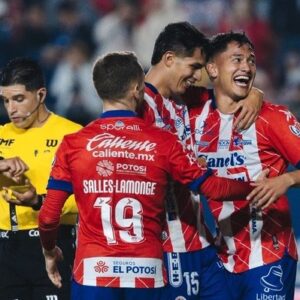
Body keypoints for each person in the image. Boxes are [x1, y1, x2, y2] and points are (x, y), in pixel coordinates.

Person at [38, 51, 255, 300]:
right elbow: (212, 188)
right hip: (146, 269)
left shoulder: (73, 144)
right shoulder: (164, 141)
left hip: (93, 270)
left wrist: (49, 251)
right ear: (136, 89)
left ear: (99, 89)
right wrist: (255, 187)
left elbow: (48, 216)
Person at [142, 21, 263, 299]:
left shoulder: (186, 97)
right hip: (166, 248)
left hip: (201, 243)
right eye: (194, 67)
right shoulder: (140, 108)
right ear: (169, 59)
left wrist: (256, 95)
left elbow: (230, 92)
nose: (198, 76)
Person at [190, 32, 298, 300]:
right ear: (213, 68)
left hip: (269, 256)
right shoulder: (194, 117)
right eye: (236, 59)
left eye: (251, 60)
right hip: (220, 259)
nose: (247, 67)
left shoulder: (273, 117)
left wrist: (287, 180)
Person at [0, 57, 82, 300]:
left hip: (53, 245)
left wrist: (40, 200)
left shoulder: (72, 134)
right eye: (5, 101)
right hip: (6, 250)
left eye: (19, 99)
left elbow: (87, 196)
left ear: (41, 95)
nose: (11, 109)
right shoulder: (2, 133)